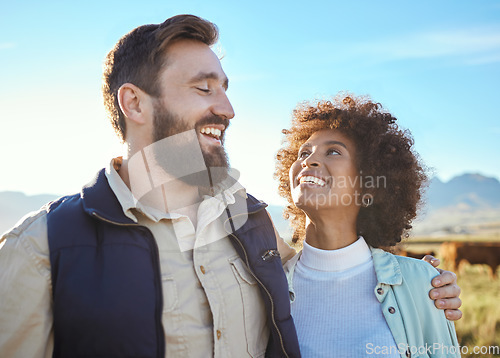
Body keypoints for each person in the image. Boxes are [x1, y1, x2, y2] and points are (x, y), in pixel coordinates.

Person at [0, 15, 461, 358]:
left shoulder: (252, 224)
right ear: (134, 103)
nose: (228, 109)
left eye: (225, 87)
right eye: (204, 89)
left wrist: (427, 283)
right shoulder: (40, 247)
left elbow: (337, 267)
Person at [275, 94, 461, 357]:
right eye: (304, 152)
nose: (308, 160)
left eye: (334, 151)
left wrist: (421, 278)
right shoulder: (270, 286)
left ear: (368, 185)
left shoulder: (423, 283)